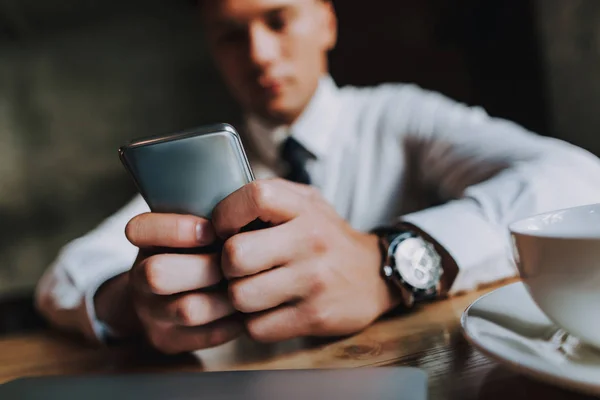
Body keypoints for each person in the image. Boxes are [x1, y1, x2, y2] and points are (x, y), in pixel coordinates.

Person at [35, 0, 600, 354]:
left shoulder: (401, 118)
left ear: (326, 21)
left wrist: (388, 262)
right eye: (231, 35)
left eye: (277, 20)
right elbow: (65, 275)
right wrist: (133, 305)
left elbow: (579, 177)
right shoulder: (200, 178)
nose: (259, 54)